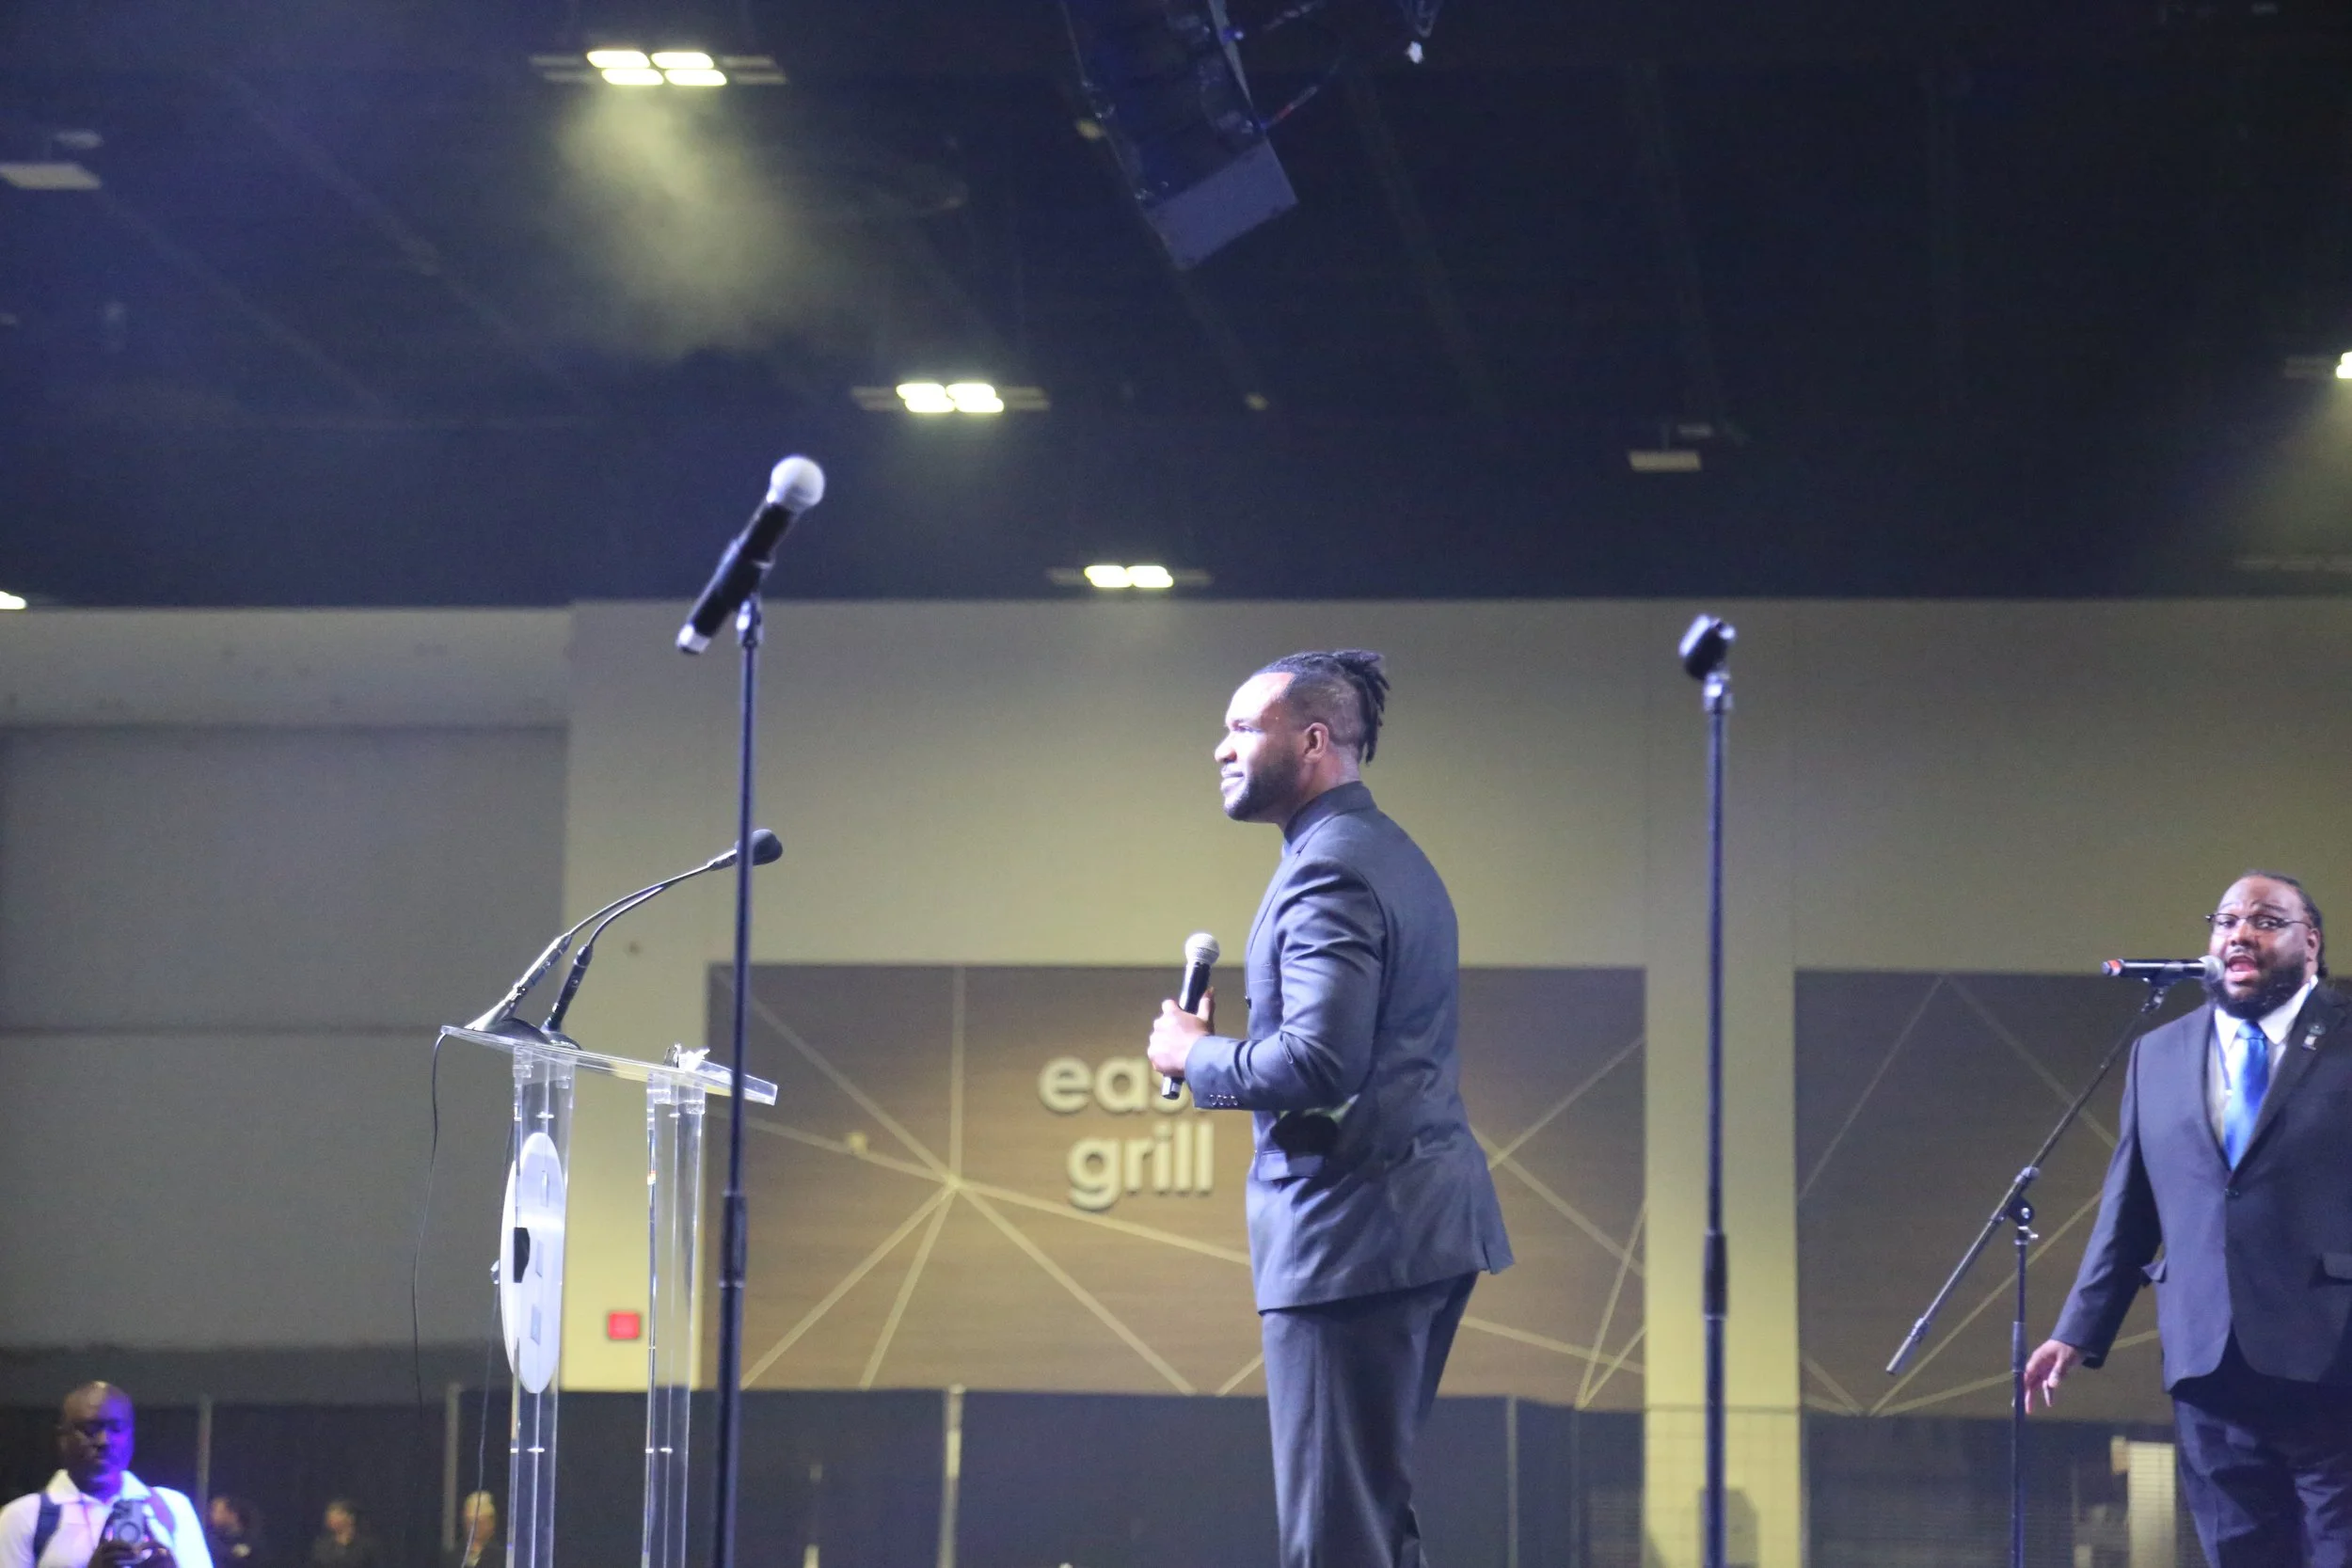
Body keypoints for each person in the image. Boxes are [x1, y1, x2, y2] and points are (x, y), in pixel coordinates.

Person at [1147, 649, 1513, 1568]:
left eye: (1241, 727)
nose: (1219, 748)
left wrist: (1196, 1057)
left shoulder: (1330, 872)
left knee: (1336, 1534)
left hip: (1354, 1239)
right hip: (1407, 1226)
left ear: (1312, 740)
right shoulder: (1376, 851)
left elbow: (1319, 1058)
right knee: (1368, 1520)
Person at [2026, 871, 2352, 1567]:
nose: (2239, 933)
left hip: (2334, 1357)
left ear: (2311, 944)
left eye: (2265, 920)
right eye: (2225, 920)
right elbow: (2131, 1205)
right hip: (2210, 1360)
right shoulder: (2160, 1052)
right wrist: (2077, 1329)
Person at [0, 1383, 212, 1568]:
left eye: (117, 1428)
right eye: (90, 1428)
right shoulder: (23, 1517)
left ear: (131, 1435)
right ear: (62, 1437)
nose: (104, 1441)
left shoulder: (172, 1507)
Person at [302, 1504, 376, 1568]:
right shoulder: (321, 1546)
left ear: (350, 1518)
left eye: (337, 1515)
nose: (330, 1520)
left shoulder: (366, 1546)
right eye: (329, 1517)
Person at [439, 1494, 497, 1568]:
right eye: (470, 1521)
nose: (474, 1527)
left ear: (491, 1523)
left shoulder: (503, 1558)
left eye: (480, 1521)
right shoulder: (453, 1557)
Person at [201, 1500, 262, 1568]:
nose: (210, 1514)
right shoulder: (210, 1539)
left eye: (216, 1511)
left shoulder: (254, 1550)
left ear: (233, 1515)